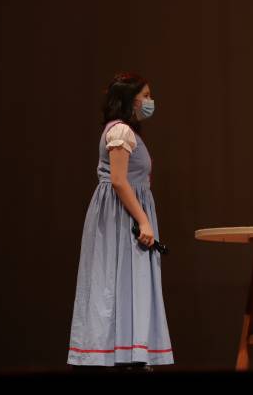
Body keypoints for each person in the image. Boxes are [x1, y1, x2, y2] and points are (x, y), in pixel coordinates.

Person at [67, 72, 173, 370]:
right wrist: (143, 220)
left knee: (128, 281)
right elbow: (118, 180)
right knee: (116, 280)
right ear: (130, 99)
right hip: (120, 216)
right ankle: (115, 355)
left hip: (126, 211)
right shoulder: (121, 132)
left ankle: (129, 352)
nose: (150, 101)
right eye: (146, 96)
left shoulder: (127, 132)